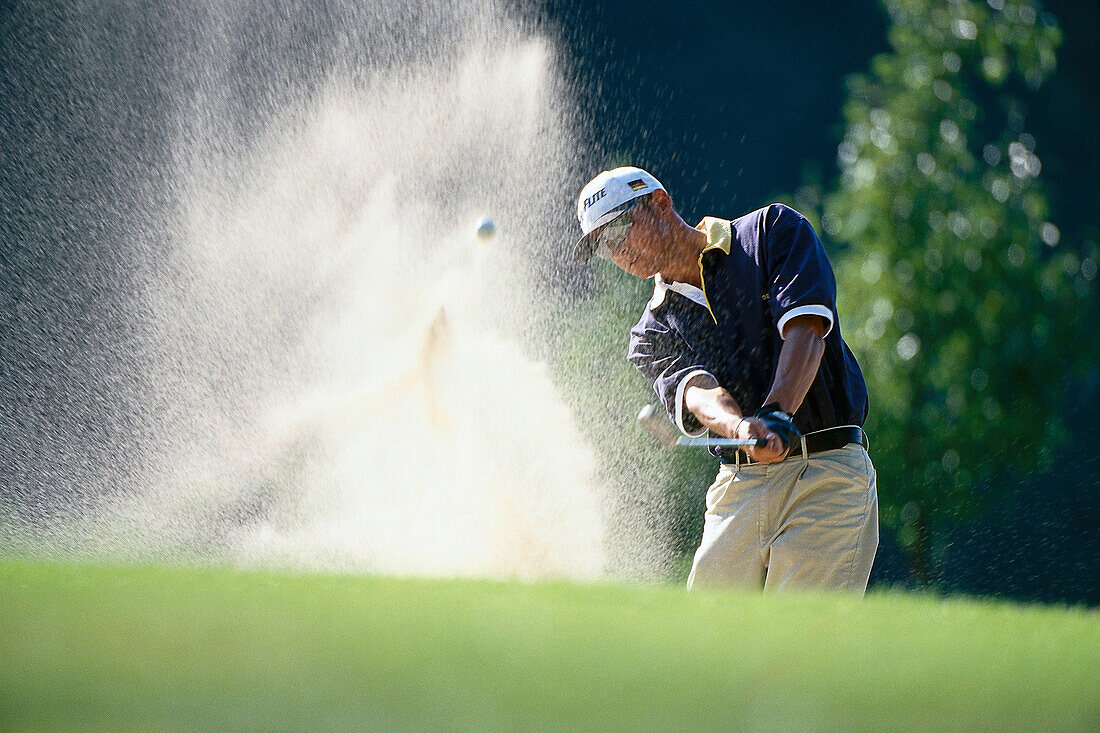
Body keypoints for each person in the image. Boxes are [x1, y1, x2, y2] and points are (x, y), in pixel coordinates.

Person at [573, 166, 878, 593]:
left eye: (620, 228)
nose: (618, 250)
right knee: (704, 646)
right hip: (740, 484)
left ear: (661, 203)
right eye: (604, 246)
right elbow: (698, 391)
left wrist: (776, 414)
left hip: (826, 470)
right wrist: (739, 427)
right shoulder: (650, 333)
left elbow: (807, 330)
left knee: (801, 644)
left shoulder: (771, 232)